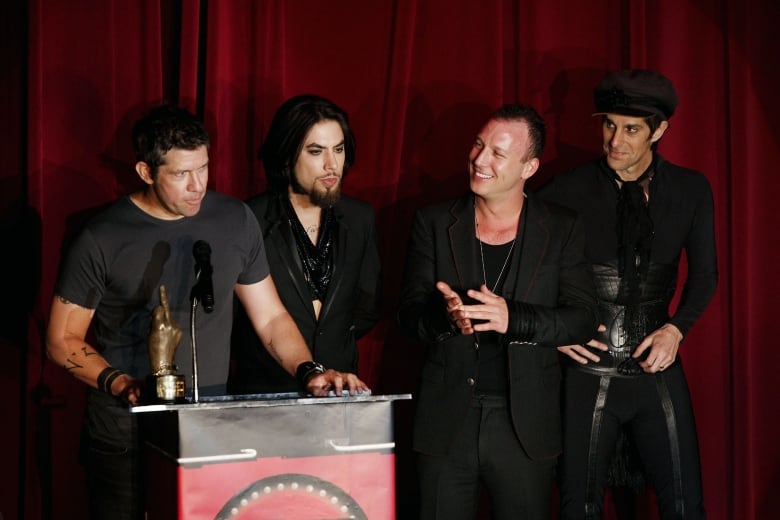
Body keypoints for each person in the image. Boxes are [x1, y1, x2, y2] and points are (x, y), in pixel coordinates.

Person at [45, 104, 368, 520]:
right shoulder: (101, 236)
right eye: (181, 174)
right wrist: (122, 383)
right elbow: (61, 340)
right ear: (145, 172)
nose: (197, 185)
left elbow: (270, 317)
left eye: (204, 168)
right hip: (123, 430)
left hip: (208, 425)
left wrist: (309, 369)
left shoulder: (234, 219)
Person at [397, 103, 599, 519]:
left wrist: (515, 318)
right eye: (478, 144)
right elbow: (407, 317)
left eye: (497, 153)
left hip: (525, 426)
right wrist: (445, 319)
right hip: (446, 423)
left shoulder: (561, 227)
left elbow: (582, 318)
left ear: (529, 167)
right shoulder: (434, 222)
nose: (479, 159)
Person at [537, 69, 717, 518]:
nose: (615, 139)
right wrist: (555, 332)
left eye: (631, 129)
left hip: (659, 373)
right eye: (609, 124)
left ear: (659, 131)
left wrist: (677, 330)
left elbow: (706, 275)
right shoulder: (565, 190)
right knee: (578, 507)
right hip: (587, 377)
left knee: (684, 505)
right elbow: (525, 267)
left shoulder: (691, 189)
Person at [229, 94, 381, 394]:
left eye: (338, 150)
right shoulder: (249, 220)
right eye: (315, 151)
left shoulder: (360, 217)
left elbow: (368, 305)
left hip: (340, 390)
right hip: (266, 392)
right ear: (287, 156)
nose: (331, 164)